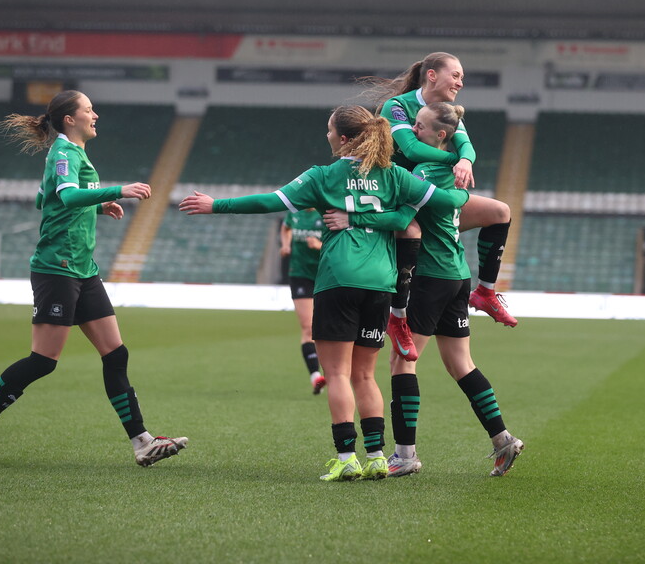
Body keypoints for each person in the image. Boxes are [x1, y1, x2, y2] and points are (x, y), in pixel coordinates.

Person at [179, 105, 469, 482]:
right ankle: (377, 457)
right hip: (381, 283)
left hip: (338, 279)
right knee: (365, 376)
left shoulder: (323, 175)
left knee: (336, 374)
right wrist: (456, 170)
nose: (327, 136)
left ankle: (347, 458)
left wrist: (215, 205)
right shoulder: (394, 174)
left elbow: (270, 201)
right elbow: (451, 203)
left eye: (329, 130)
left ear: (344, 139)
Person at [0, 90, 187, 467]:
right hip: (57, 268)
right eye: (89, 109)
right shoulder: (64, 153)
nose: (96, 115)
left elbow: (44, 198)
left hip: (83, 269)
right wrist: (118, 191)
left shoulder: (71, 153)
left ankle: (143, 442)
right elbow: (64, 195)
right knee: (43, 361)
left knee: (116, 354)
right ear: (69, 119)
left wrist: (97, 204)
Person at [324, 102, 524, 477]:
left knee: (402, 361)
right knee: (461, 363)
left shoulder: (424, 172)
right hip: (458, 274)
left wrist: (353, 216)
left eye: (419, 126)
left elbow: (405, 222)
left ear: (440, 135)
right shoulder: (451, 172)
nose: (413, 131)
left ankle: (405, 454)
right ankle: (503, 439)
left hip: (430, 278)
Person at [361, 52, 517, 363]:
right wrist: (455, 159)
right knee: (410, 233)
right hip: (402, 195)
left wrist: (465, 160)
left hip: (434, 194)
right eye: (455, 75)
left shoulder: (445, 112)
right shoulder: (397, 106)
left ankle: (485, 292)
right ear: (432, 75)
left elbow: (467, 146)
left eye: (462, 77)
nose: (461, 82)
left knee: (500, 212)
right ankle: (397, 316)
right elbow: (411, 149)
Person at [279, 208, 329, 394]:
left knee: (327, 328)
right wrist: (286, 245)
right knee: (308, 327)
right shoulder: (294, 213)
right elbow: (285, 228)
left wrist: (319, 245)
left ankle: (334, 373)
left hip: (325, 274)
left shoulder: (325, 212)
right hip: (300, 275)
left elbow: (340, 244)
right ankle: (315, 376)